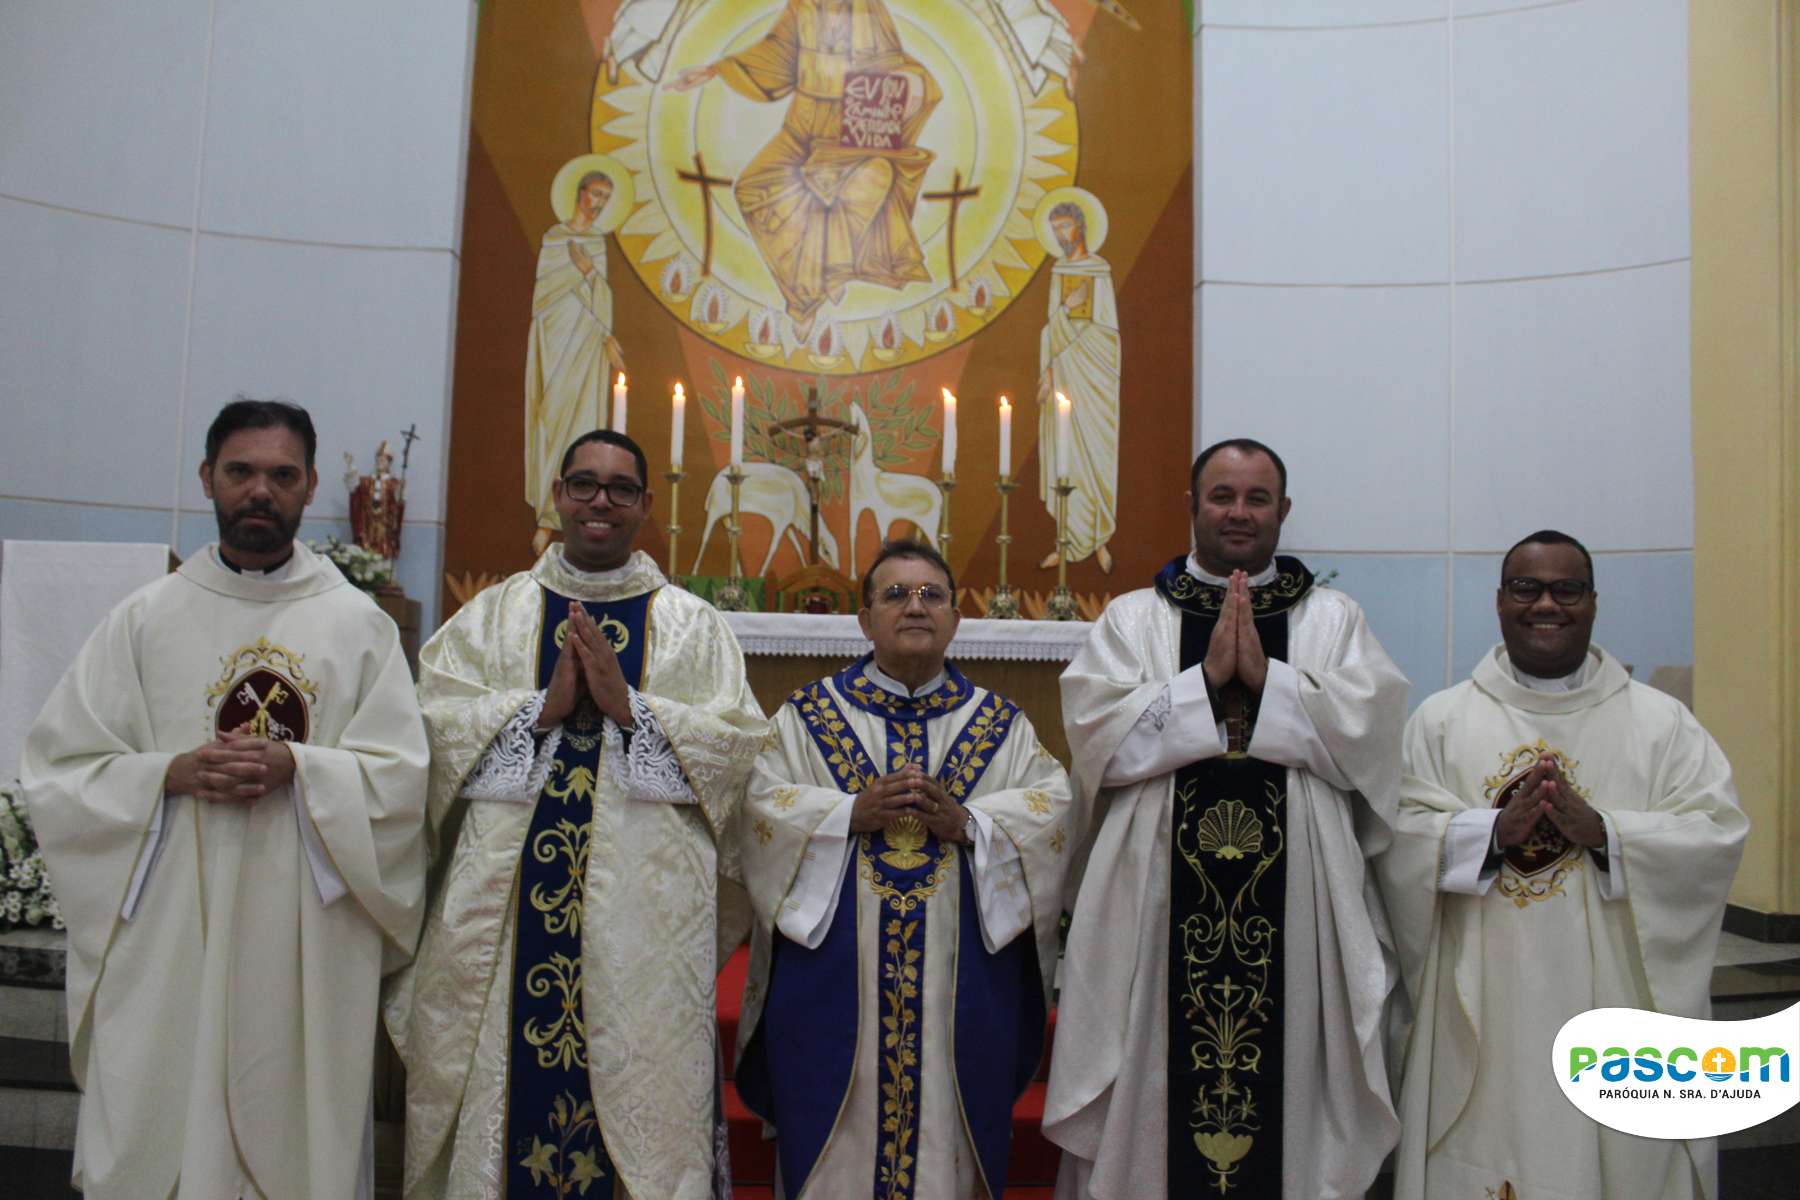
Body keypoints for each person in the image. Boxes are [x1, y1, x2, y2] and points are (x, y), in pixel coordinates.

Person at [21, 398, 429, 1199]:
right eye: (241, 472)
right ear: (207, 477)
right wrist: (167, 774)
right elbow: (59, 770)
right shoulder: (143, 620)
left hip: (303, 937)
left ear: (310, 487)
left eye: (282, 476)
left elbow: (402, 782)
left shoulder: (359, 628)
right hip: (173, 928)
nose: (259, 492)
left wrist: (303, 768)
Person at [385, 429, 766, 1200]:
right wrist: (537, 711)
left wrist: (634, 712)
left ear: (646, 507)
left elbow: (740, 757)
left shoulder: (694, 626)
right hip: (509, 917)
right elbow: (429, 732)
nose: (600, 501)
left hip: (642, 930)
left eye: (620, 489)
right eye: (583, 484)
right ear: (556, 496)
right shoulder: (492, 618)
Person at [1044, 438, 1408, 1199]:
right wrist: (1203, 683)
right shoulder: (1133, 619)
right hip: (1154, 899)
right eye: (1222, 496)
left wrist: (1270, 683)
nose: (1239, 513)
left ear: (1283, 511)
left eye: (1256, 498)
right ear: (1192, 506)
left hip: (1299, 898)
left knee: (1295, 1078)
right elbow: (1095, 738)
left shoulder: (1332, 619)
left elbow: (1369, 734)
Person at [1377, 530, 1747, 1200]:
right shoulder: (1442, 723)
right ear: (1499, 601)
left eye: (1565, 589)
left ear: (1593, 603)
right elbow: (1396, 838)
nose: (1546, 604)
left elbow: (1715, 833)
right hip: (1483, 1003)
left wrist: (1605, 832)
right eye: (1527, 588)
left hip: (1612, 1002)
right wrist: (1490, 833)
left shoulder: (1661, 726)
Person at [736, 538, 1073, 1199]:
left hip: (961, 993)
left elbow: (1052, 812)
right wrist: (846, 814)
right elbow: (758, 809)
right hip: (834, 992)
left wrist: (970, 824)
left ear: (954, 618)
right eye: (895, 594)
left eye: (932, 595)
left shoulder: (1001, 727)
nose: (915, 606)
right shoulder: (807, 718)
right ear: (864, 620)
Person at [669, 0, 940, 339]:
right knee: (751, 189)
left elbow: (896, 60)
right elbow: (777, 55)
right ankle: (822, 278)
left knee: (866, 182)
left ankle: (805, 298)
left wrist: (912, 82)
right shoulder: (802, 7)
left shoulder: (869, 9)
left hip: (848, 135)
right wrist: (715, 70)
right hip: (798, 130)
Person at [525, 169, 628, 556]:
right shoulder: (554, 238)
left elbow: (601, 293)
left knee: (579, 423)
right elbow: (543, 295)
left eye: (606, 198)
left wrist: (603, 331)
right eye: (595, 194)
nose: (598, 204)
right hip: (554, 338)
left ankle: (555, 521)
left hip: (586, 345)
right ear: (579, 193)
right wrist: (576, 280)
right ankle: (547, 510)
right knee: (550, 419)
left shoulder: (596, 243)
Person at [1037, 196, 1120, 574]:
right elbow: (1051, 329)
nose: (1061, 235)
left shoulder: (1100, 270)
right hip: (1066, 373)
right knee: (1064, 454)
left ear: (1082, 227)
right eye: (1055, 230)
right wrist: (1049, 372)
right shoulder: (1058, 271)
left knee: (1096, 454)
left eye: (1066, 227)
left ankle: (1099, 537)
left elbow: (1109, 333)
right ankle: (1067, 541)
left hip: (1097, 377)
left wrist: (1068, 318)